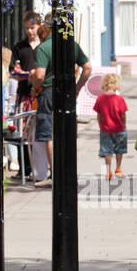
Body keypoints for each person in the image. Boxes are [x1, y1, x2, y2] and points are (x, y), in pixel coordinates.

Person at [31, 17, 92, 182]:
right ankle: (68, 171)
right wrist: (77, 88)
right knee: (66, 132)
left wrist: (35, 86)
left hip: (49, 93)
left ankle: (56, 174)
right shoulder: (72, 45)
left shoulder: (44, 48)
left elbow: (40, 75)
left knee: (50, 135)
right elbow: (87, 68)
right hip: (68, 93)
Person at [9, 10, 42, 175]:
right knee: (22, 132)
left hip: (40, 95)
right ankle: (24, 169)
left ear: (39, 26)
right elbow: (12, 71)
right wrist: (24, 74)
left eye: (33, 27)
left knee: (39, 133)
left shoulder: (45, 46)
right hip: (24, 94)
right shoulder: (19, 47)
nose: (30, 31)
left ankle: (40, 168)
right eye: (27, 28)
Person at [94, 71, 128, 180]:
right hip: (119, 128)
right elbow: (123, 114)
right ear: (116, 84)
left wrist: (100, 125)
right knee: (119, 149)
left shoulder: (100, 99)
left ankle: (108, 172)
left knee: (107, 151)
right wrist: (124, 124)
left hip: (105, 128)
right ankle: (118, 169)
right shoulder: (119, 99)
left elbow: (99, 115)